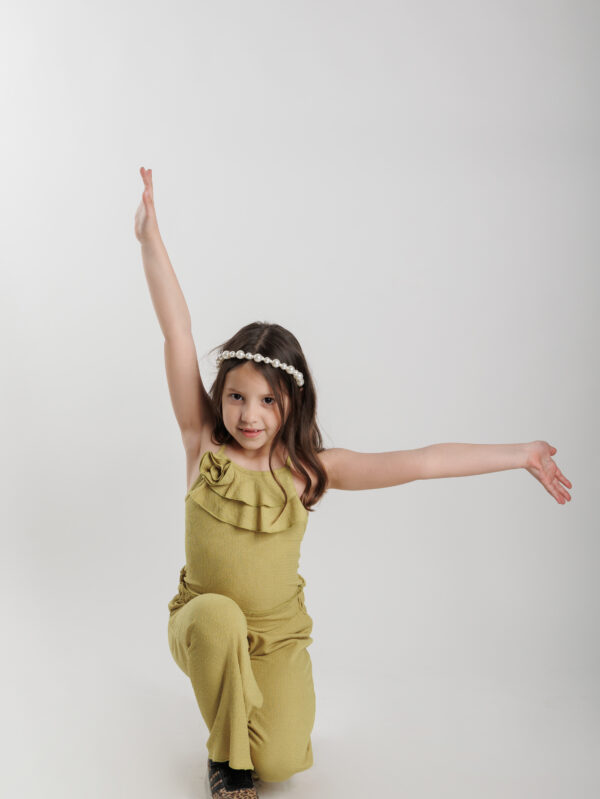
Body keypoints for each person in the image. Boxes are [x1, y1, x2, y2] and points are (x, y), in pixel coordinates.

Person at [134, 166, 573, 798]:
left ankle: (253, 739)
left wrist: (521, 454)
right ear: (220, 396)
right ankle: (226, 762)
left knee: (283, 762)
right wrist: (150, 239)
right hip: (203, 623)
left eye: (267, 400)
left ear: (291, 403)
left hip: (277, 637)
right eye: (236, 396)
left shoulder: (310, 470)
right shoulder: (202, 444)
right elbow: (177, 332)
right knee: (220, 619)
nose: (249, 415)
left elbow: (422, 461)